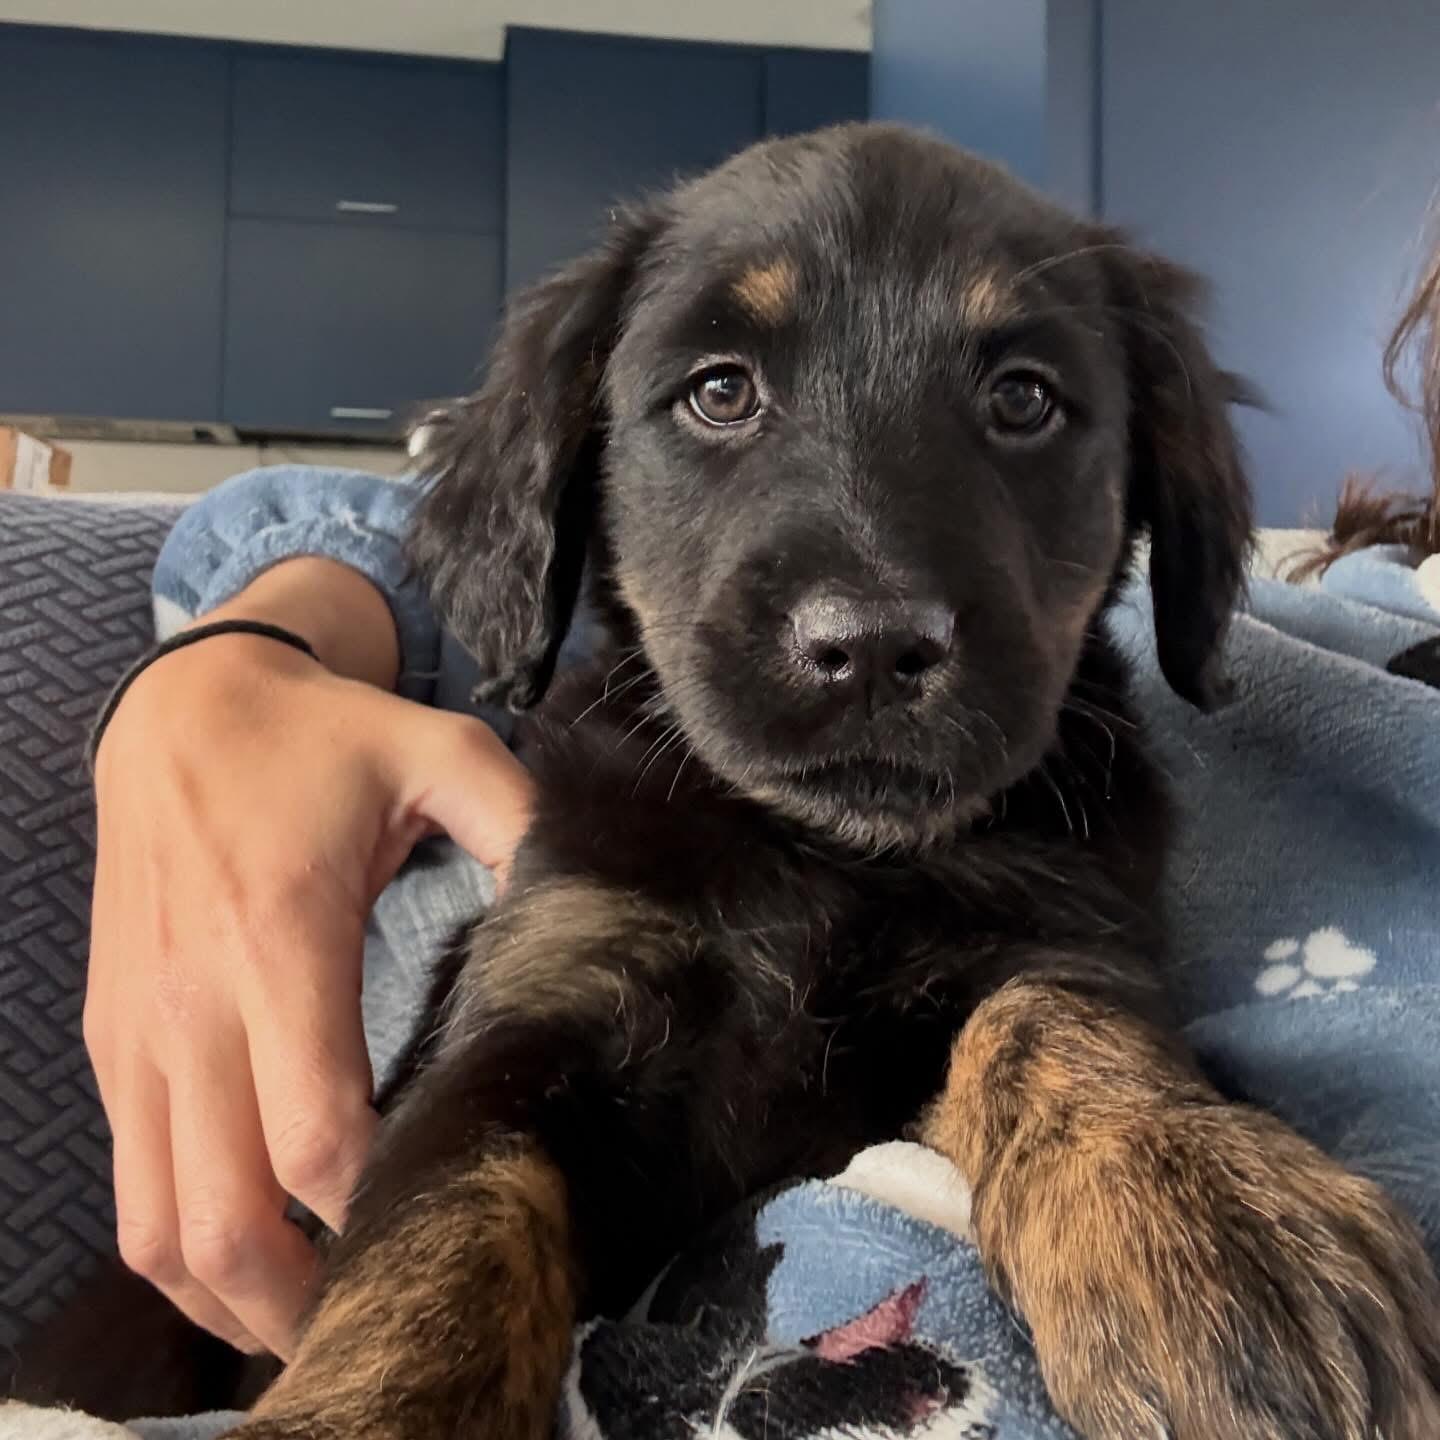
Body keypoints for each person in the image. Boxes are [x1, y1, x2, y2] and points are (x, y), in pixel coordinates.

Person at [85, 228, 1440, 1378]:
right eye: (724, 387)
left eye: (1025, 402)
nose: (871, 601)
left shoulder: (1103, 731)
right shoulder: (1302, 631)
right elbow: (474, 530)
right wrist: (243, 655)